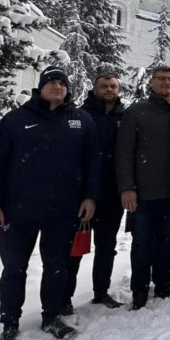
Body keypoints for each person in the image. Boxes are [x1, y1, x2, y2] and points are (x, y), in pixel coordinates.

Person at [0, 66, 99, 340]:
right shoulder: (16, 120)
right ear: (41, 87)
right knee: (13, 268)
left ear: (68, 88)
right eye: (51, 82)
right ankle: (9, 324)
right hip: (17, 210)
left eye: (62, 83)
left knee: (57, 267)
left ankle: (52, 316)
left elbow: (93, 164)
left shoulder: (81, 121)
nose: (57, 86)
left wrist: (90, 197)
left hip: (63, 209)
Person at [116, 65, 170, 309]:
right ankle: (139, 290)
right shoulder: (137, 111)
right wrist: (127, 187)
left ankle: (162, 286)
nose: (168, 83)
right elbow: (124, 152)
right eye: (162, 79)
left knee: (168, 242)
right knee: (142, 243)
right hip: (144, 193)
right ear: (151, 82)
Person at [65, 74, 126, 312]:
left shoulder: (125, 116)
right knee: (76, 247)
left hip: (112, 192)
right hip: (83, 193)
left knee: (106, 246)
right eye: (104, 86)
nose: (109, 89)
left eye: (113, 86)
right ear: (95, 88)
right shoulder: (80, 115)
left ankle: (101, 292)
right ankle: (64, 297)